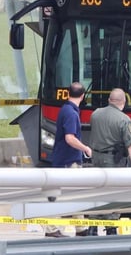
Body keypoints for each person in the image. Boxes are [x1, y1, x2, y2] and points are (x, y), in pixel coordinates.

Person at [89, 88, 131, 235]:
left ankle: (92, 226)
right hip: (113, 161)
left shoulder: (95, 114)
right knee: (112, 193)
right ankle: (111, 227)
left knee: (97, 192)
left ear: (109, 100)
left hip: (96, 158)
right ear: (123, 102)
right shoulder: (124, 120)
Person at [45, 82, 92, 239]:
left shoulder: (66, 110)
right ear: (83, 95)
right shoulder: (71, 114)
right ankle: (52, 229)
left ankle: (81, 228)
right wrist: (85, 148)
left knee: (73, 194)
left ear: (67, 93)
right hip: (68, 160)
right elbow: (70, 138)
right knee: (66, 195)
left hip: (64, 158)